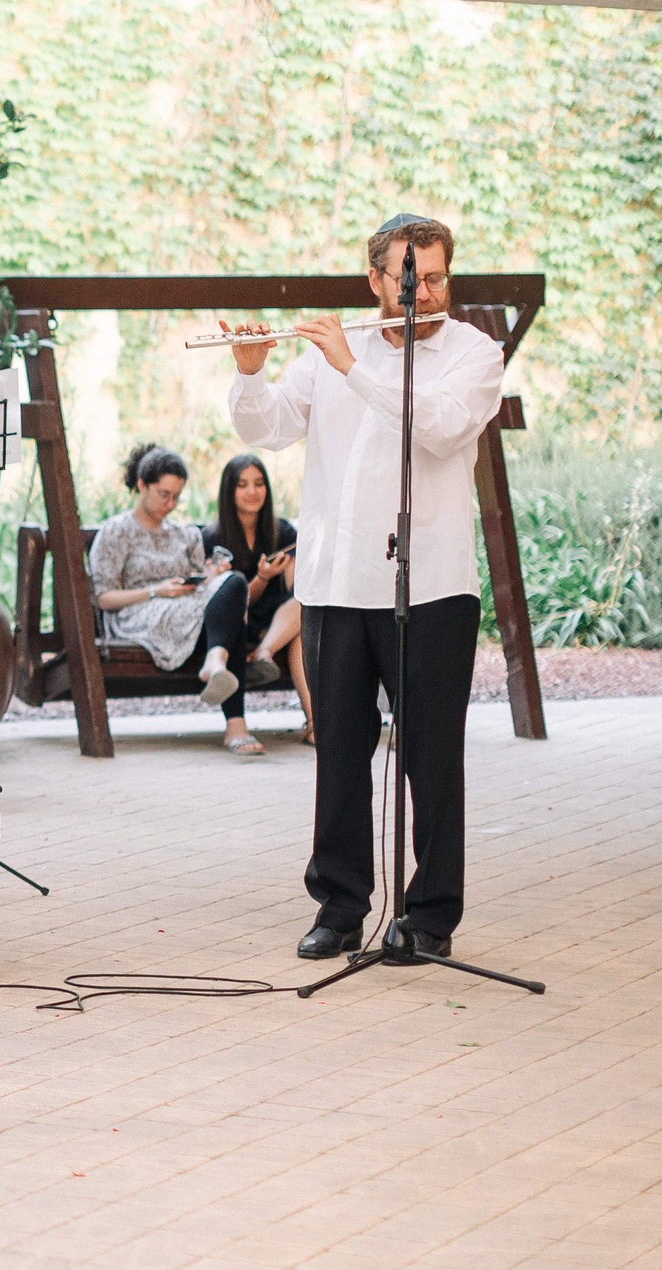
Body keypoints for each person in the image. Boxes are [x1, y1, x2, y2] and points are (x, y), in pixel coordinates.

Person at [223, 213, 506, 962]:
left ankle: (432, 915)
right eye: (410, 278)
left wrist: (354, 367)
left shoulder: (473, 352)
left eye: (438, 277)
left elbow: (442, 428)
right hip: (337, 581)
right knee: (341, 753)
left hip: (434, 586)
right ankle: (341, 906)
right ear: (375, 279)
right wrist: (250, 370)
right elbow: (270, 428)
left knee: (432, 758)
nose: (424, 292)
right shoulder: (328, 354)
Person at [84, 444, 265, 755]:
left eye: (176, 496)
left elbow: (199, 587)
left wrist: (211, 578)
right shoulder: (116, 531)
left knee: (233, 582)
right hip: (137, 614)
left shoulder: (185, 534)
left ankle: (215, 662)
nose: (170, 503)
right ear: (142, 485)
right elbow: (104, 598)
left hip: (185, 609)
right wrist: (157, 590)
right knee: (228, 613)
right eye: (163, 494)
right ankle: (236, 725)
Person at [201, 453, 314, 749]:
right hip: (236, 623)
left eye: (259, 483)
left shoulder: (282, 530)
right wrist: (262, 578)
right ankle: (312, 722)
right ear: (230, 491)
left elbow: (295, 594)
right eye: (243, 485)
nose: (252, 492)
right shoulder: (215, 536)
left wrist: (288, 570)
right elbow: (232, 602)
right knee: (290, 629)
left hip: (276, 624)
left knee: (304, 607)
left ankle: (265, 656)